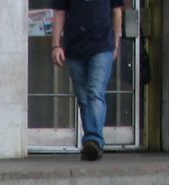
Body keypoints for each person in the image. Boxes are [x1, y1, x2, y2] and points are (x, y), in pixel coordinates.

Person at [52, 0, 123, 161]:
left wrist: (116, 44)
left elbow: (117, 11)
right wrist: (56, 45)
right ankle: (92, 143)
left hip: (102, 45)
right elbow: (59, 13)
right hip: (75, 47)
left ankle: (94, 140)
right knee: (84, 98)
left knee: (95, 92)